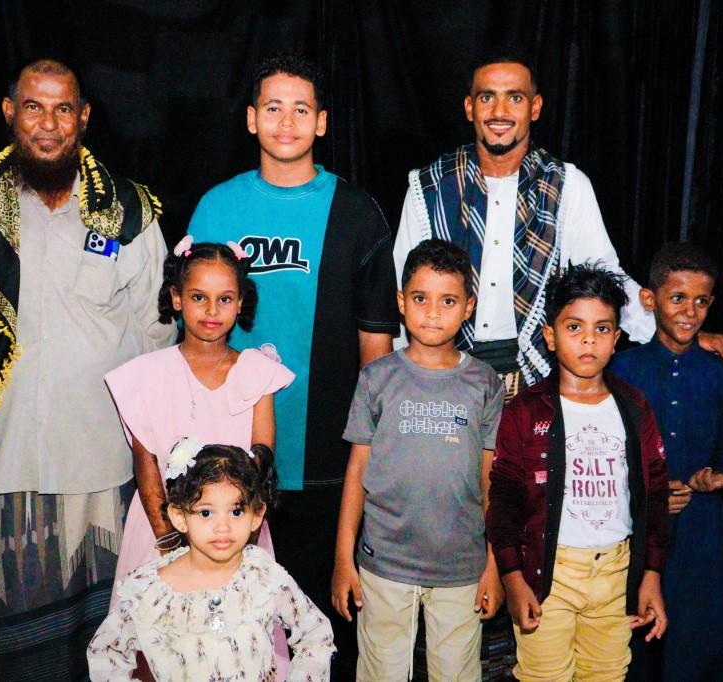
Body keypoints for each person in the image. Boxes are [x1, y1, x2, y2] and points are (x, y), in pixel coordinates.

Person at [0, 58, 174, 679]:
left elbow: (158, 332)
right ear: (10, 113)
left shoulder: (130, 214)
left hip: (111, 469)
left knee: (119, 649)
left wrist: (158, 446)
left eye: (63, 109)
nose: (49, 124)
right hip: (12, 469)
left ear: (83, 118)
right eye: (34, 107)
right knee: (28, 658)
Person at [187, 53, 398, 675]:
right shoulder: (216, 209)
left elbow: (377, 349)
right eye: (273, 108)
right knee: (230, 636)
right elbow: (186, 340)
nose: (286, 121)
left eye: (301, 109)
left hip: (326, 464)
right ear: (251, 119)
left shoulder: (357, 213)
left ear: (322, 122)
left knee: (321, 636)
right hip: (226, 463)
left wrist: (369, 452)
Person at [393, 52, 723, 396]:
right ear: (470, 108)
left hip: (536, 381)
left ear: (535, 108)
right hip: (442, 377)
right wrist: (394, 382)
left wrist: (676, 334)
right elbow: (402, 287)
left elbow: (608, 281)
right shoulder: (430, 187)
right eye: (487, 97)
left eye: (515, 98)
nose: (500, 112)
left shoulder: (566, 185)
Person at [104, 238, 295, 678]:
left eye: (224, 299)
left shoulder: (256, 372)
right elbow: (146, 466)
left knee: (237, 651)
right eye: (198, 298)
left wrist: (233, 538)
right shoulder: (147, 374)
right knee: (162, 654)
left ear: (240, 303)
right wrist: (171, 545)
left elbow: (261, 458)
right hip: (163, 536)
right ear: (176, 298)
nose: (211, 310)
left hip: (235, 535)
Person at [332, 239, 506, 681]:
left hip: (461, 567)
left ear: (468, 307)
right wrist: (343, 558)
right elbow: (356, 471)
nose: (432, 313)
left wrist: (495, 562)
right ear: (401, 302)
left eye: (448, 301)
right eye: (420, 298)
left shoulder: (485, 383)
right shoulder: (377, 378)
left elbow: (491, 479)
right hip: (384, 562)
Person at [487, 263, 670, 681]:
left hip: (616, 574)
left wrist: (652, 575)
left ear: (616, 338)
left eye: (602, 328)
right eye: (574, 327)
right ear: (550, 336)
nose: (589, 339)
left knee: (607, 674)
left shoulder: (634, 407)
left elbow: (655, 494)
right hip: (548, 574)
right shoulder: (526, 411)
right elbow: (504, 500)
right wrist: (512, 579)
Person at [87, 442, 335, 680]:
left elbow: (316, 633)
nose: (222, 527)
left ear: (257, 515)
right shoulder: (150, 592)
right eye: (206, 513)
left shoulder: (262, 575)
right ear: (179, 516)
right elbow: (105, 652)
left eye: (236, 511)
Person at [610, 242, 723, 682]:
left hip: (702, 527)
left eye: (701, 301)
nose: (690, 312)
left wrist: (714, 475)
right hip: (635, 527)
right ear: (650, 300)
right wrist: (646, 494)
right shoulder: (621, 371)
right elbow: (607, 450)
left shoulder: (720, 370)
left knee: (698, 644)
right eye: (678, 298)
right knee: (634, 644)